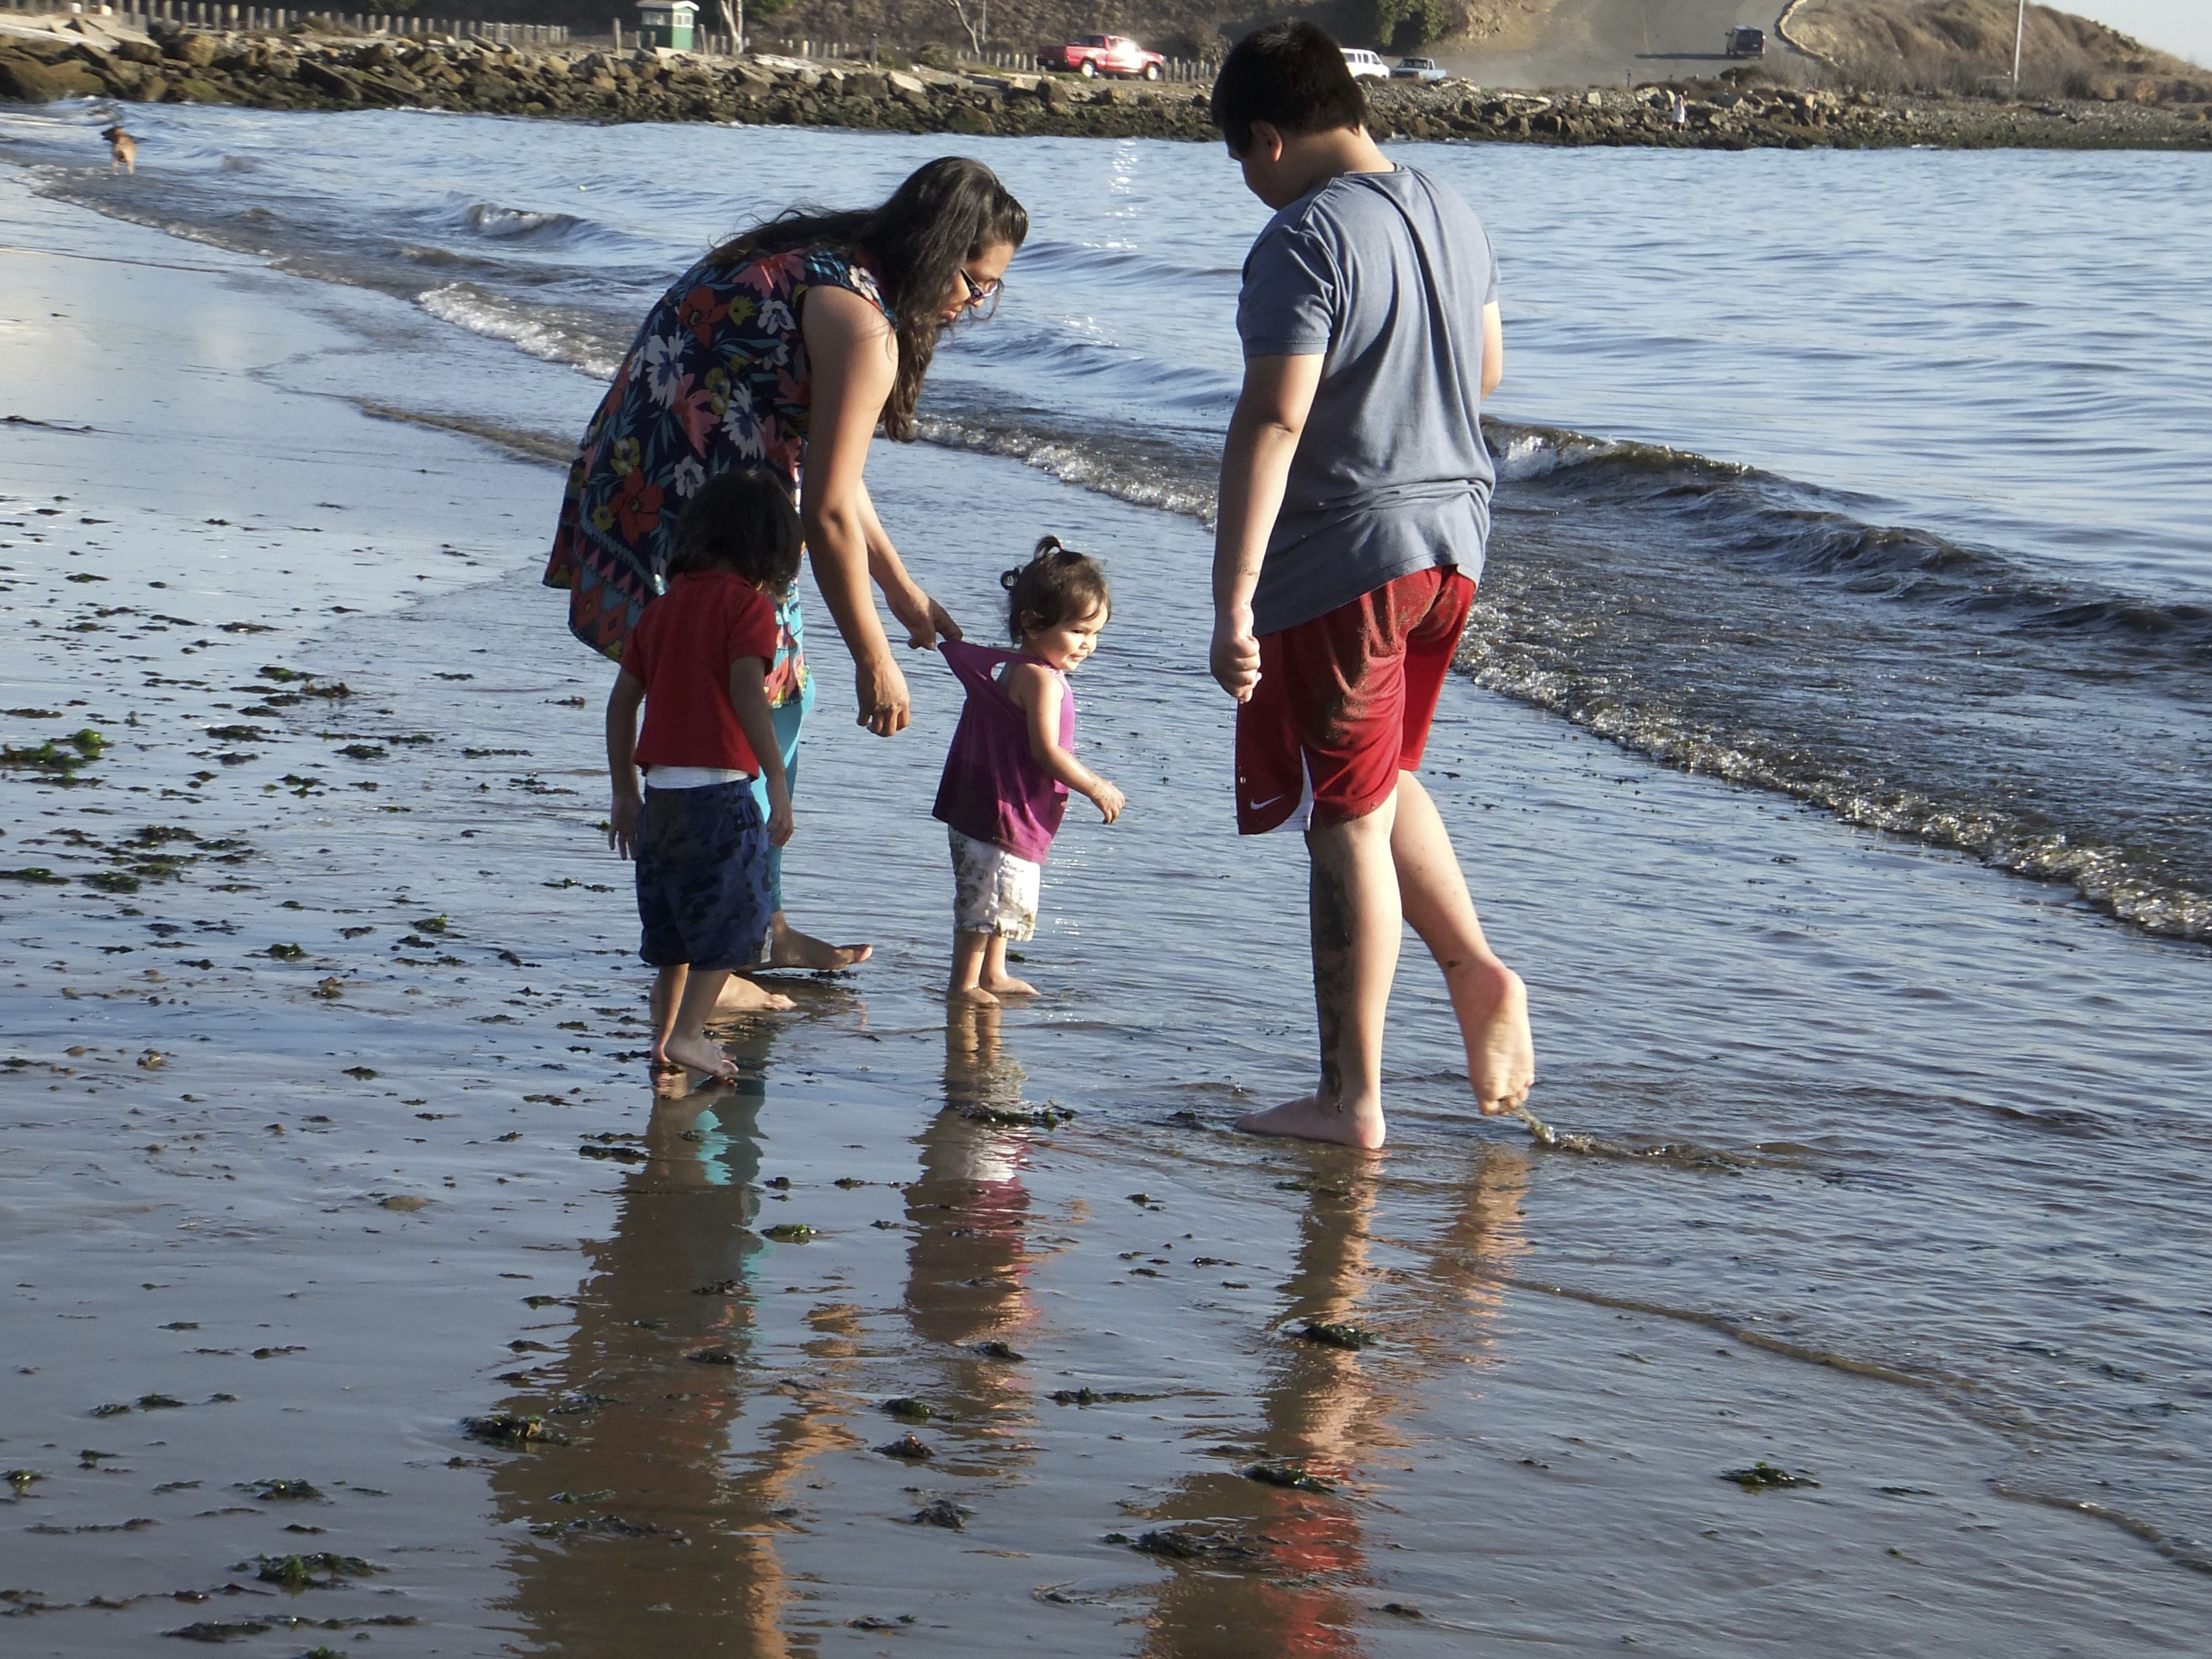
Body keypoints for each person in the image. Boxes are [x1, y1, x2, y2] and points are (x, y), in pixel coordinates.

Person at [544, 156, 1030, 995]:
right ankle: (720, 954)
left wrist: (897, 587)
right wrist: (874, 658)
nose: (973, 303)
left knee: (764, 701)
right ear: (936, 248)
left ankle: (755, 924)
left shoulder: (828, 264)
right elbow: (828, 510)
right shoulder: (861, 321)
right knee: (748, 714)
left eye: (990, 289)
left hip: (651, 474)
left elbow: (831, 471)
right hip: (686, 503)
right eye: (973, 280)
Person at [1205, 21, 1536, 1149]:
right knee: (1383, 776)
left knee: (1340, 824)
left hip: (1348, 556)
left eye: (1241, 160)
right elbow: (1485, 370)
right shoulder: (1449, 205)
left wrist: (1233, 598)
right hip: (1455, 543)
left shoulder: (1303, 238)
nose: (1249, 182)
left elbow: (1274, 417)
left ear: (1267, 137)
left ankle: (1348, 1098)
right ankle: (1472, 965)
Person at [604, 470, 801, 1082]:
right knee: (737, 920)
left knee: (674, 938)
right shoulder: (749, 607)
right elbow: (746, 690)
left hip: (659, 800)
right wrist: (777, 778)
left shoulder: (660, 610)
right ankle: (689, 1034)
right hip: (718, 798)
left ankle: (665, 1041)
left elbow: (620, 704)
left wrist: (623, 792)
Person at [933, 538, 1125, 1006]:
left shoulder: (1017, 667)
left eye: (1095, 633)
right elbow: (1046, 750)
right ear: (1033, 623)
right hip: (1001, 813)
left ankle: (993, 972)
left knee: (1001, 894)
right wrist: (1095, 786)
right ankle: (964, 983)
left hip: (996, 809)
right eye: (1078, 631)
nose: (1088, 645)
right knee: (985, 899)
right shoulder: (1039, 679)